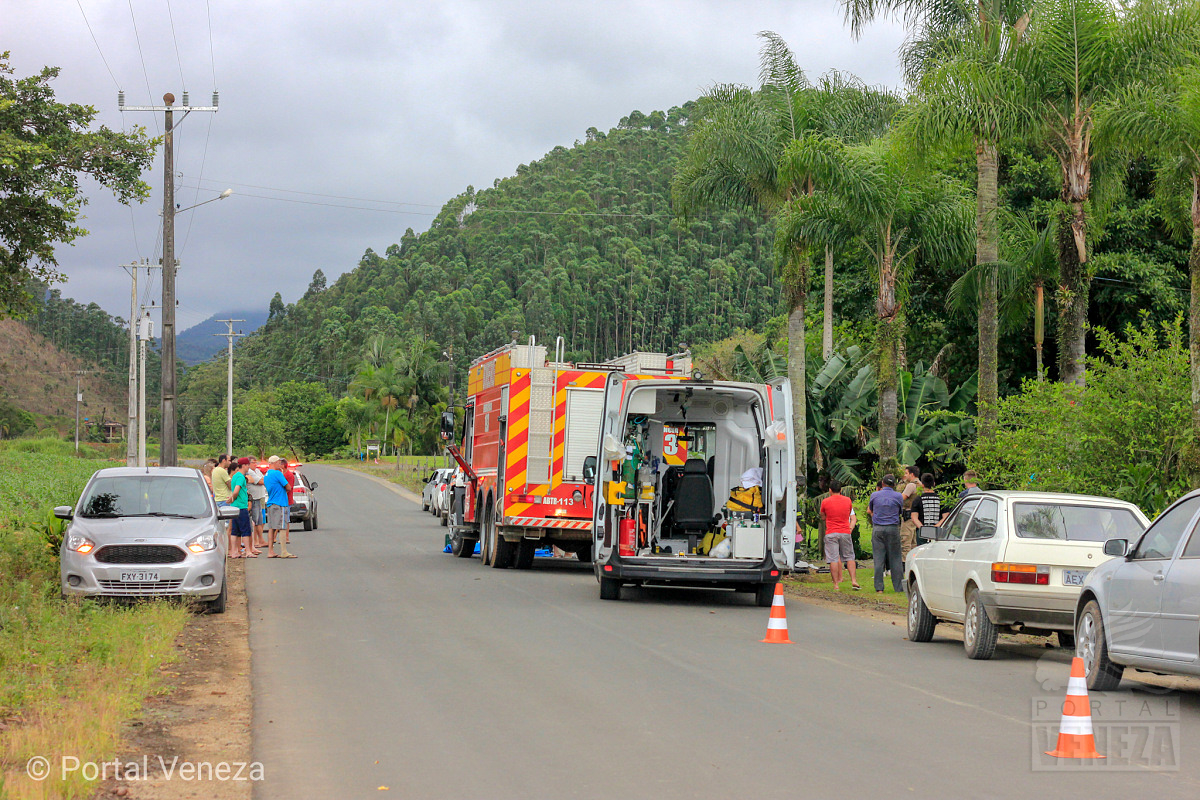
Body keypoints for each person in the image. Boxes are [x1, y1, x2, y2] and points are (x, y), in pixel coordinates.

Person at [868, 474, 905, 593]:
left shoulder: (874, 495)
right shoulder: (898, 496)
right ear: (894, 485)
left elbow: (871, 510)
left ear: (882, 483)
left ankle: (879, 588)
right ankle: (898, 587)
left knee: (878, 558)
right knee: (895, 558)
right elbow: (900, 511)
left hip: (878, 528)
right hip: (892, 528)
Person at [820, 479, 859, 590]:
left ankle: (836, 584)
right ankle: (853, 580)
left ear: (830, 490)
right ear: (841, 490)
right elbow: (849, 513)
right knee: (850, 557)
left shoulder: (825, 502)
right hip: (845, 532)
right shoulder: (847, 500)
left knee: (833, 558)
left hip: (831, 532)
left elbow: (822, 516)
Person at [264, 456, 294, 558]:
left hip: (271, 502)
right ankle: (284, 551)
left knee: (271, 527)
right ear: (274, 463)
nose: (280, 464)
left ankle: (270, 551)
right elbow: (288, 487)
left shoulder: (267, 474)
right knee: (282, 527)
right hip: (280, 502)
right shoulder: (277, 473)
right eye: (278, 462)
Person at [228, 457, 255, 558]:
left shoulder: (235, 476)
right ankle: (248, 551)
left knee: (235, 531)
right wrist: (232, 498)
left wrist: (232, 499)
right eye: (247, 465)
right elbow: (236, 490)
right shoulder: (240, 477)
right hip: (241, 506)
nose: (248, 467)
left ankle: (234, 551)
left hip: (234, 507)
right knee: (245, 530)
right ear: (243, 465)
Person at [910, 473, 948, 544]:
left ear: (922, 485)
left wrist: (923, 528)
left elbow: (914, 517)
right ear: (934, 484)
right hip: (938, 532)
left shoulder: (918, 499)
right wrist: (937, 526)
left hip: (922, 533)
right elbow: (946, 517)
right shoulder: (941, 499)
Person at [246, 457, 268, 552]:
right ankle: (255, 541)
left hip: (259, 497)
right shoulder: (249, 472)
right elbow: (261, 481)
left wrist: (262, 481)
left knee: (260, 520)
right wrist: (261, 481)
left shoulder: (257, 471)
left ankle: (260, 539)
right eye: (253, 462)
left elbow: (264, 480)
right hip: (253, 498)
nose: (255, 464)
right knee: (254, 520)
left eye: (256, 462)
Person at [899, 465, 922, 561]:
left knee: (905, 542)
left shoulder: (911, 485)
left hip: (908, 516)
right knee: (913, 543)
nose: (905, 475)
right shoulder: (920, 484)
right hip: (915, 516)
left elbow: (902, 498)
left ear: (911, 474)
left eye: (906, 473)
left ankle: (905, 563)